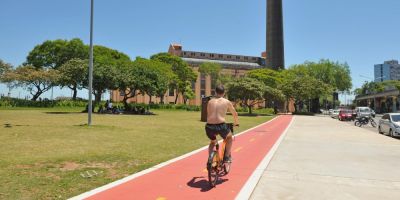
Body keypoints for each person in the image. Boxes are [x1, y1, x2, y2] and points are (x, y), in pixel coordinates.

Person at [205, 85, 239, 163]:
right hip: (221, 126)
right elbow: (235, 114)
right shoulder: (226, 101)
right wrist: (236, 123)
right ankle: (227, 157)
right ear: (224, 93)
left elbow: (208, 114)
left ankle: (210, 159)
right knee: (229, 137)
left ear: (215, 92)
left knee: (213, 142)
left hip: (209, 126)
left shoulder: (210, 101)